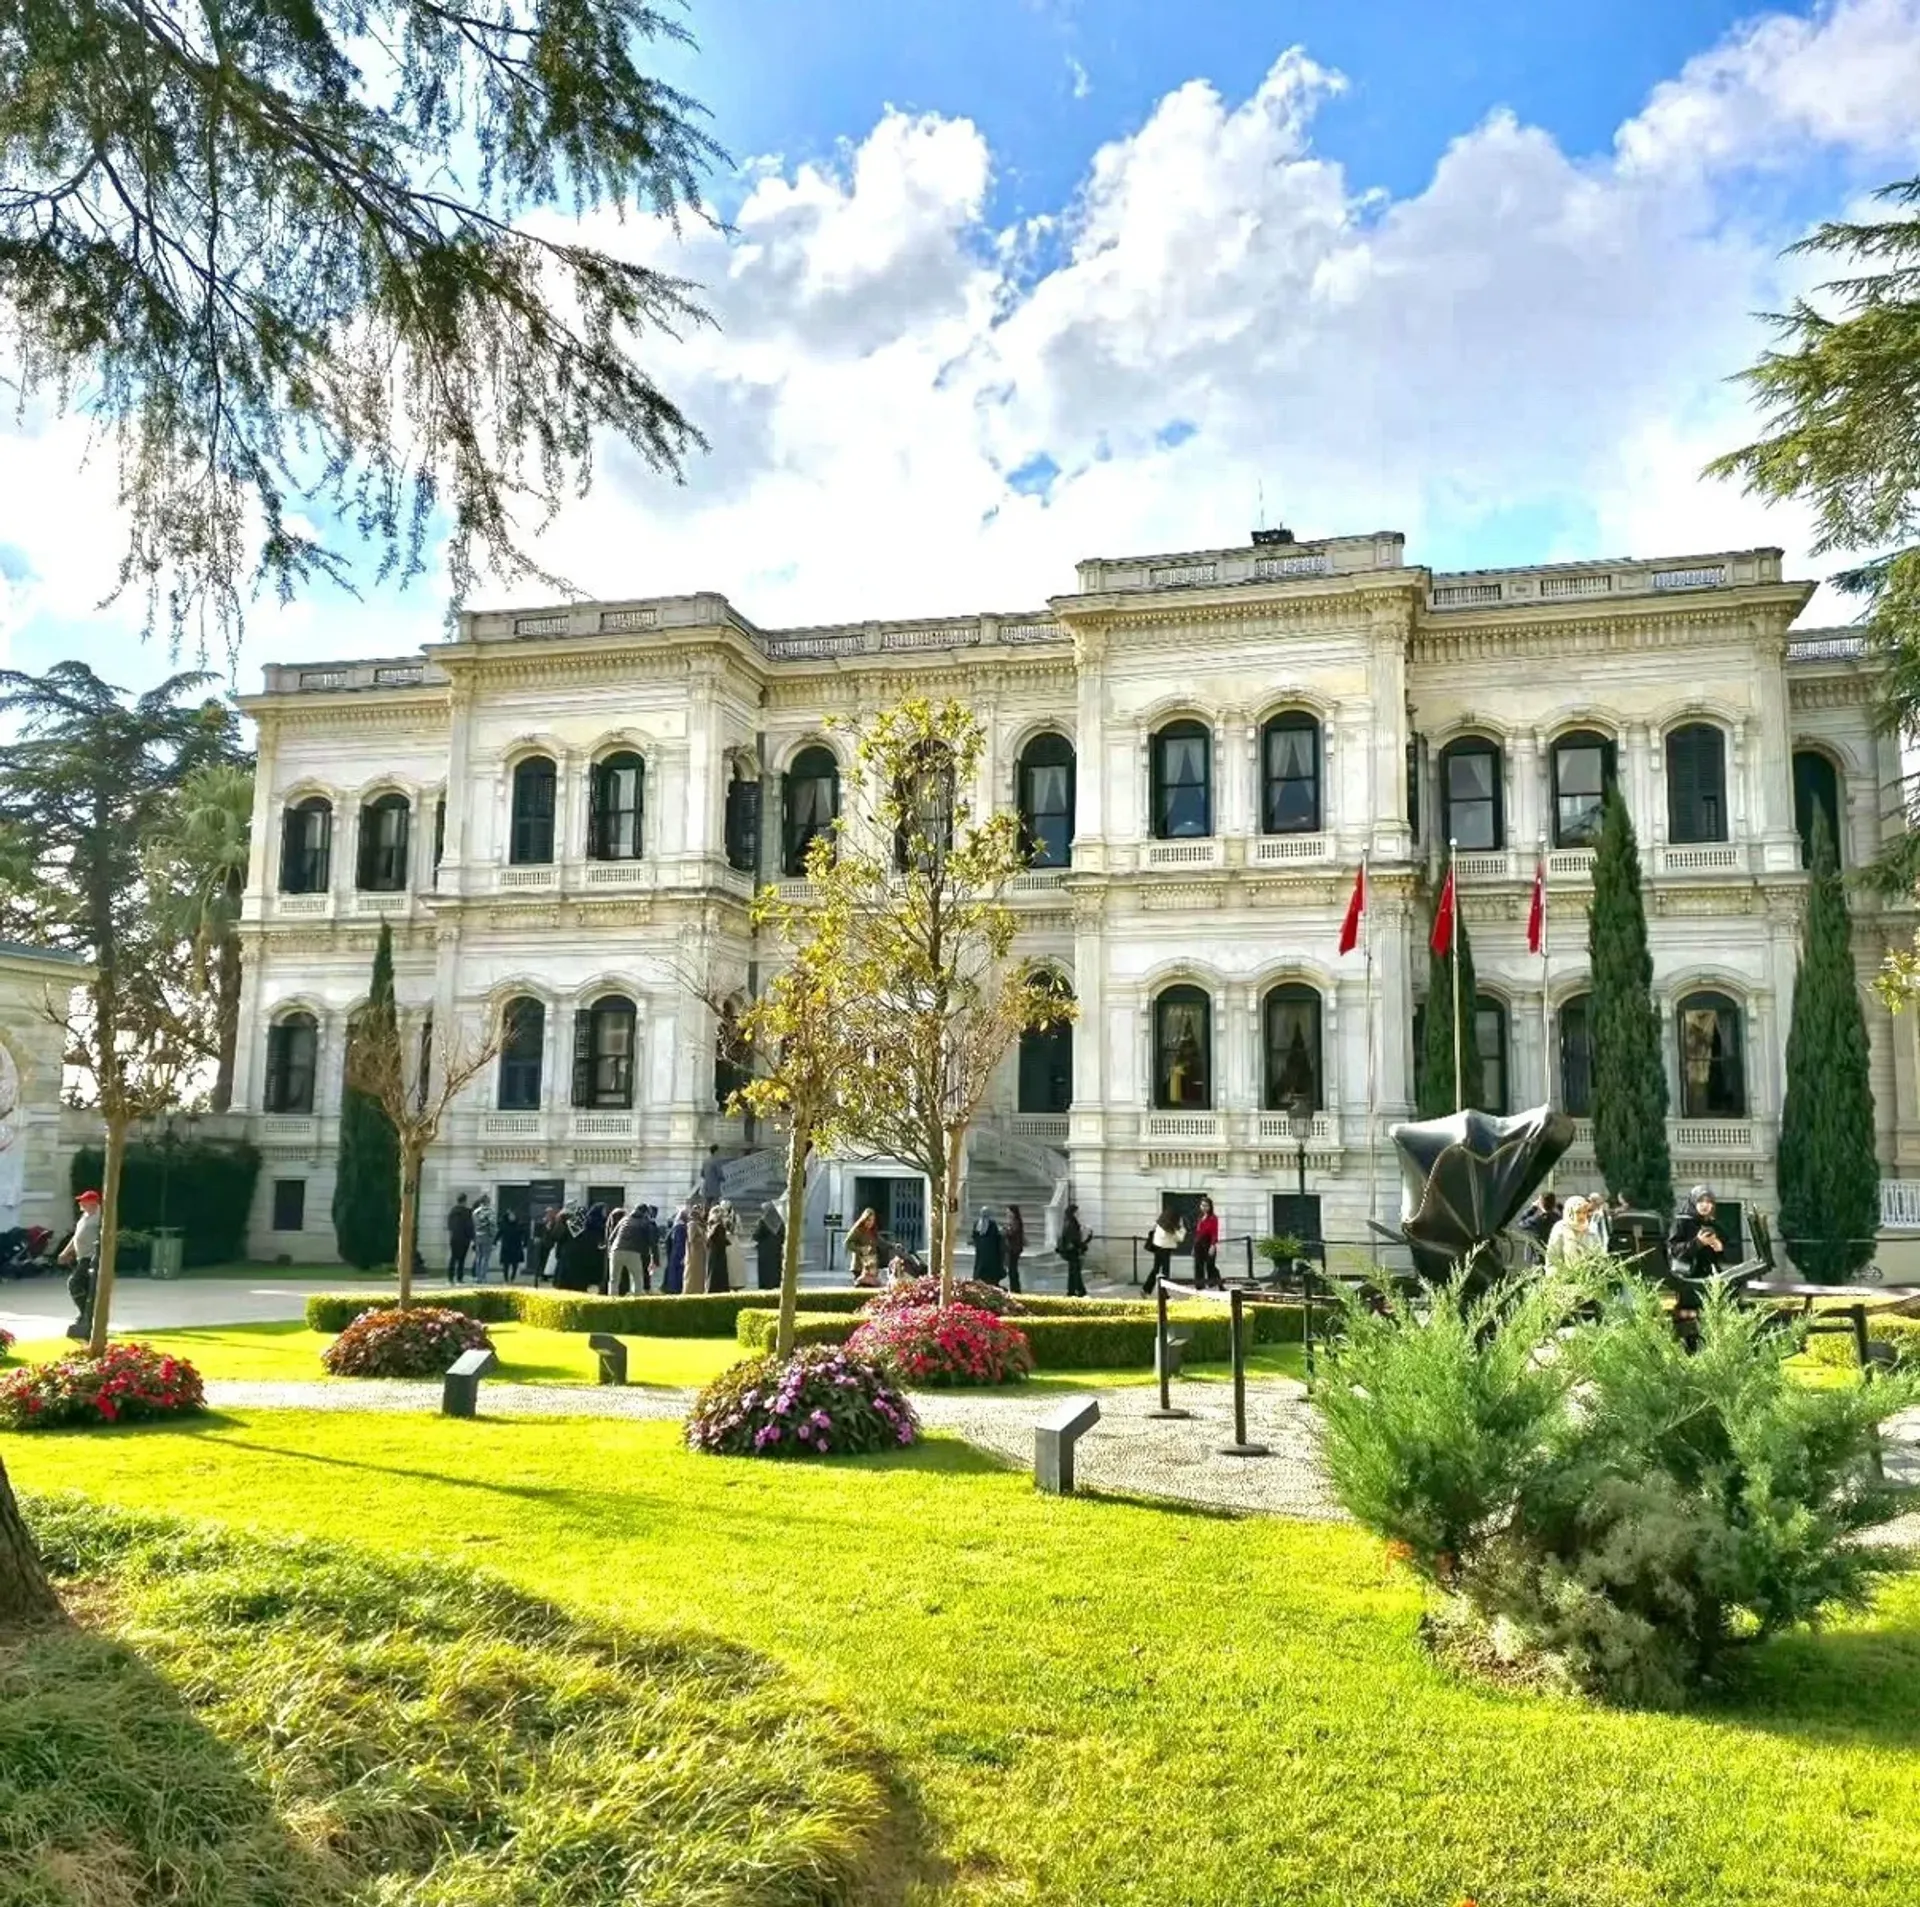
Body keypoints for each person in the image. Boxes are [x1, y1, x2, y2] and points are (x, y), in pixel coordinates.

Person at [1667, 1184, 1727, 1352]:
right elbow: (1675, 1250)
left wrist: (1718, 1247)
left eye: (1708, 1201)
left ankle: (1711, 1350)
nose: (1704, 1205)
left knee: (1712, 1315)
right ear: (1693, 1201)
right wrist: (1698, 1243)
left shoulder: (1715, 1224)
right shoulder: (1682, 1222)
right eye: (1700, 1200)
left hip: (1710, 1277)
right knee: (1688, 1318)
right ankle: (1688, 1350)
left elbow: (1725, 1252)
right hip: (1688, 1277)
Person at [58, 1188, 102, 1341]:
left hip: (91, 1258)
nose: (80, 1203)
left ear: (93, 1203)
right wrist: (65, 1252)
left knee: (74, 1283)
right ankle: (86, 1315)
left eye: (83, 1201)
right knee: (84, 1288)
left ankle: (86, 1314)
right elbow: (76, 1237)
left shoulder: (100, 1218)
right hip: (81, 1257)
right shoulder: (85, 1217)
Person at [1544, 1194, 1599, 1272]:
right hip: (1563, 1278)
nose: (1581, 1216)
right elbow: (1552, 1260)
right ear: (1569, 1213)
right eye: (1578, 1212)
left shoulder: (1590, 1229)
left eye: (1584, 1212)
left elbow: (1598, 1255)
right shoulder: (1560, 1229)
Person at [1145, 1205, 1187, 1294]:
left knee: (1156, 1269)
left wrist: (1176, 1229)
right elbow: (1180, 1238)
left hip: (1158, 1247)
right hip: (1165, 1249)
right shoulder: (1167, 1226)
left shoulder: (1161, 1222)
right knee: (1164, 1271)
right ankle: (1163, 1293)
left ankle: (1146, 1289)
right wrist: (1176, 1230)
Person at [610, 1203, 650, 1295]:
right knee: (637, 1279)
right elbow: (650, 1241)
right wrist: (652, 1257)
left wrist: (610, 1251)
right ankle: (636, 1302)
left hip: (616, 1250)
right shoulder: (644, 1222)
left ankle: (611, 1301)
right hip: (633, 1251)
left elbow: (612, 1237)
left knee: (614, 1280)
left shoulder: (624, 1219)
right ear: (645, 1213)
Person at [1058, 1201, 1090, 1298]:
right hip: (1072, 1250)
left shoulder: (1069, 1221)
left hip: (1070, 1250)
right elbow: (1073, 1238)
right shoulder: (1071, 1223)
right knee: (1075, 1271)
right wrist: (1082, 1246)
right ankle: (1080, 1290)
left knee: (1073, 1271)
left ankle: (1071, 1291)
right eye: (1077, 1212)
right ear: (1074, 1212)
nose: (1079, 1214)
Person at [1191, 1193, 1222, 1289]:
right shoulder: (1200, 1217)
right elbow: (1198, 1233)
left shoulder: (1213, 1218)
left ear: (1210, 1207)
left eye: (1206, 1206)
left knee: (1210, 1265)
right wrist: (1194, 1246)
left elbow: (1214, 1233)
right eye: (1202, 1205)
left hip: (1208, 1243)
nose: (1204, 1207)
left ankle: (1219, 1284)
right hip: (1198, 1243)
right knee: (1198, 1265)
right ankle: (1199, 1286)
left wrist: (1213, 1245)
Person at [845, 1207, 880, 1285]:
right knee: (860, 1285)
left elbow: (880, 1242)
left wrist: (893, 1245)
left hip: (871, 1265)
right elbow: (848, 1243)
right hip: (859, 1266)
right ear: (864, 1219)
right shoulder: (857, 1230)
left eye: (872, 1220)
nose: (870, 1223)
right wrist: (860, 1249)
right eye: (868, 1220)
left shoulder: (873, 1231)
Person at [684, 1195, 711, 1296]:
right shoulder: (692, 1224)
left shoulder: (700, 1223)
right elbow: (691, 1239)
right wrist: (702, 1239)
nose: (702, 1212)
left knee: (700, 1273)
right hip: (694, 1253)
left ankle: (699, 1290)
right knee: (693, 1273)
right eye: (700, 1211)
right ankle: (691, 1290)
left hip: (701, 1252)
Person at [970, 1207, 1004, 1287]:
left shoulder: (977, 1223)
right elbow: (995, 1236)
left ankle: (979, 1278)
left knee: (980, 1263)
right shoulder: (992, 1223)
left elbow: (974, 1235)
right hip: (990, 1249)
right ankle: (989, 1279)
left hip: (981, 1248)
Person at [446, 1193, 475, 1284]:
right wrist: (472, 1237)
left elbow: (449, 1225)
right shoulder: (467, 1212)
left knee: (453, 1258)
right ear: (465, 1201)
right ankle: (459, 1277)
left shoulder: (452, 1211)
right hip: (464, 1238)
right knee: (462, 1259)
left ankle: (450, 1277)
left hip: (454, 1237)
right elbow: (469, 1226)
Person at [754, 1206, 784, 1290]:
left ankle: (765, 1285)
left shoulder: (763, 1221)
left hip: (764, 1250)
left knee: (765, 1269)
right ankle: (776, 1284)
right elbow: (783, 1235)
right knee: (775, 1268)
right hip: (776, 1249)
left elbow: (756, 1235)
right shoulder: (779, 1222)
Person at [707, 1201, 733, 1293]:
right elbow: (718, 1239)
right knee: (718, 1271)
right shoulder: (718, 1226)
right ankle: (717, 1289)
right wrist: (726, 1242)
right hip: (718, 1252)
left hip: (715, 1251)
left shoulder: (713, 1224)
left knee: (714, 1270)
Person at [470, 1193, 496, 1283]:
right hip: (487, 1236)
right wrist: (493, 1236)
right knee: (485, 1257)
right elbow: (492, 1225)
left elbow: (473, 1225)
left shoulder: (475, 1212)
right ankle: (483, 1276)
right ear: (487, 1202)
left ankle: (477, 1277)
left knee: (478, 1257)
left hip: (477, 1235)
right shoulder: (490, 1212)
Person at [498, 1206, 527, 1284]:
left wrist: (524, 1242)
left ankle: (512, 1278)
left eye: (513, 1215)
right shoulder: (504, 1224)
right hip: (506, 1247)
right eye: (511, 1215)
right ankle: (506, 1279)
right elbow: (499, 1233)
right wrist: (495, 1242)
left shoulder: (518, 1224)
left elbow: (524, 1233)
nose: (512, 1217)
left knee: (515, 1264)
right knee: (506, 1265)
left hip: (516, 1247)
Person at [665, 1204, 689, 1295]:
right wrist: (683, 1256)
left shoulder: (676, 1227)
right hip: (679, 1253)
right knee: (677, 1274)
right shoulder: (681, 1228)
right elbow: (680, 1243)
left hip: (674, 1253)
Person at [1004, 1203, 1026, 1295]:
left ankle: (1015, 1288)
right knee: (1012, 1269)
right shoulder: (1013, 1221)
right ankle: (1014, 1287)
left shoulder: (1015, 1221)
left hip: (1014, 1249)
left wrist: (1006, 1230)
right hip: (1013, 1248)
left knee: (1013, 1269)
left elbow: (1012, 1233)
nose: (1007, 1213)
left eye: (1008, 1211)